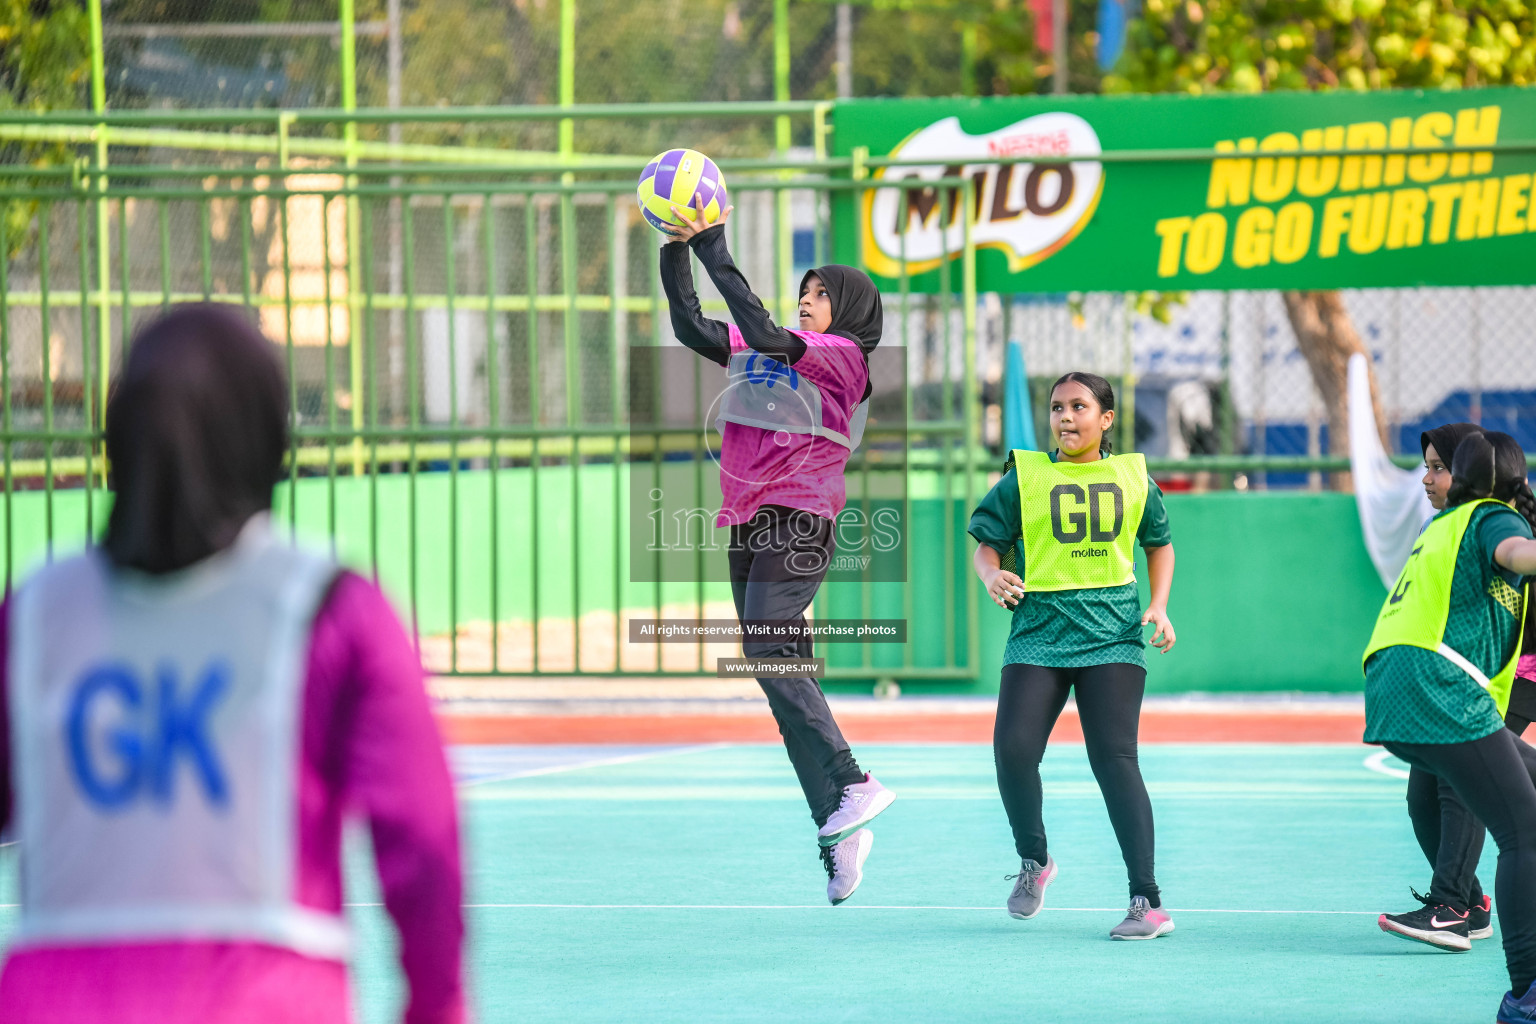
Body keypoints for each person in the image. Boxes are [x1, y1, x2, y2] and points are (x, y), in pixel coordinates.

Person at [0, 306, 466, 1024]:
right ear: (267, 436)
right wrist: (437, 1007)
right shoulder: (330, 609)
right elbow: (424, 837)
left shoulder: (35, 614)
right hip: (260, 996)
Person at [658, 196, 894, 905]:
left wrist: (713, 242)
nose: (807, 301)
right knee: (774, 667)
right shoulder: (765, 349)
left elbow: (760, 323)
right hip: (748, 518)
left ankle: (854, 782)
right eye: (804, 293)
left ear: (849, 309)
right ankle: (840, 825)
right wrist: (674, 249)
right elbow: (692, 325)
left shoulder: (845, 358)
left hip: (801, 517)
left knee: (767, 648)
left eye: (821, 294)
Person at [967, 371, 1177, 940]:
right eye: (1057, 407)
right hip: (1039, 632)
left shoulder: (1132, 476)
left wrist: (1158, 605)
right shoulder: (1025, 477)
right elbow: (987, 544)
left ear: (1105, 419)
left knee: (1114, 760)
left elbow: (1159, 544)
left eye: (1079, 407)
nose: (1065, 417)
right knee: (1012, 750)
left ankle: (1147, 901)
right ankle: (1034, 860)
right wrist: (992, 574)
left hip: (1111, 636)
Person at [1361, 431, 1536, 1024]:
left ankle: (1466, 908)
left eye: (1441, 468)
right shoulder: (1490, 518)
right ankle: (1527, 994)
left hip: (1402, 683)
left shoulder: (1446, 526)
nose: (1430, 478)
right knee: (1523, 831)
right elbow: (1518, 554)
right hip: (1437, 684)